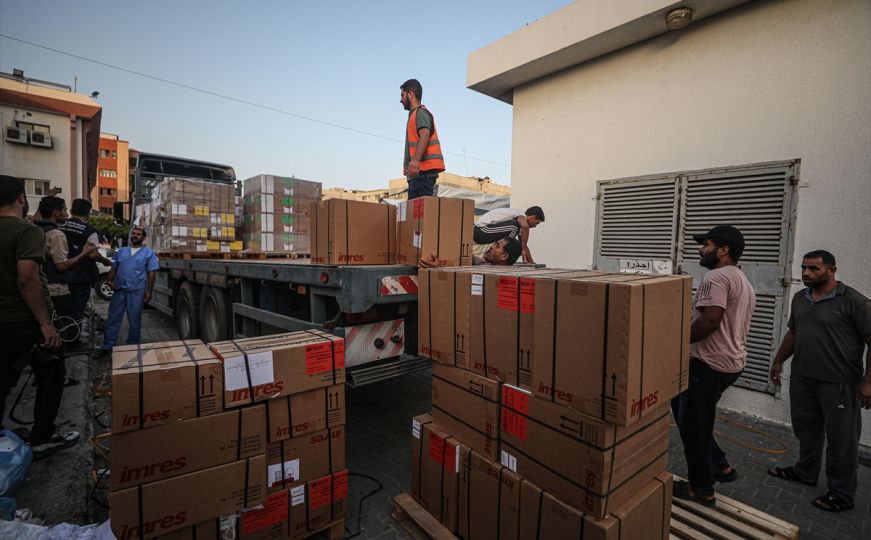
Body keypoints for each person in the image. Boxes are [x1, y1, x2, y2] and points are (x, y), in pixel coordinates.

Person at [768, 250, 870, 513]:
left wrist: (868, 383)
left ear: (832, 271)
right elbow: (793, 333)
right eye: (803, 268)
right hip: (803, 378)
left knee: (842, 441)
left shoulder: (855, 302)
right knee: (807, 431)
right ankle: (805, 471)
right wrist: (779, 361)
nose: (805, 273)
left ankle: (842, 493)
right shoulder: (801, 298)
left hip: (838, 383)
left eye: (813, 269)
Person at [672, 225, 756, 507]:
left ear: (723, 250)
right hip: (730, 363)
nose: (700, 248)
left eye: (706, 244)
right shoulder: (741, 279)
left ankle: (702, 489)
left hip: (708, 364)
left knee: (693, 426)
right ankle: (719, 465)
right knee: (689, 415)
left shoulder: (716, 276)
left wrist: (672, 342)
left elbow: (710, 321)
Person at [0, 175, 80, 459]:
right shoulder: (27, 231)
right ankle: (42, 437)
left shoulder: (27, 226)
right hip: (24, 320)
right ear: (21, 198)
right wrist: (46, 324)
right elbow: (28, 279)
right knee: (51, 372)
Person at [33, 196, 96, 344]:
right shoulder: (57, 234)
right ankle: (68, 344)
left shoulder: (36, 229)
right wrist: (84, 253)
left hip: (42, 283)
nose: (67, 215)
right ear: (56, 213)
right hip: (57, 288)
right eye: (64, 210)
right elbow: (61, 265)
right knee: (65, 322)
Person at [94, 227, 159, 358]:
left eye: (138, 234)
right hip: (119, 290)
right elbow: (114, 267)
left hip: (136, 291)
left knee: (134, 320)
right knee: (113, 318)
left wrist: (149, 292)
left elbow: (151, 273)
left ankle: (133, 346)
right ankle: (108, 346)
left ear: (143, 238)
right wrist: (110, 280)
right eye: (133, 233)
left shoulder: (148, 253)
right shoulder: (122, 251)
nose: (135, 235)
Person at [59, 198, 111, 347]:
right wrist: (106, 261)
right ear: (88, 213)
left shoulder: (60, 225)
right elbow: (92, 254)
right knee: (77, 310)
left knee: (62, 309)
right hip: (80, 276)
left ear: (71, 211)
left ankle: (62, 338)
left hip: (60, 274)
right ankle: (72, 341)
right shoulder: (89, 230)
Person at [400, 79, 445, 199]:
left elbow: (424, 134)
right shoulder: (414, 115)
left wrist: (415, 161)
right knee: (416, 216)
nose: (400, 100)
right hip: (418, 175)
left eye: (402, 95)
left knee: (420, 215)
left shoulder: (420, 113)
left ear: (410, 94)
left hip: (423, 174)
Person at [473, 206, 544, 264]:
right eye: (537, 223)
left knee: (517, 244)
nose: (535, 226)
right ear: (532, 218)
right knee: (514, 228)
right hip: (480, 231)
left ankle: (493, 256)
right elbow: (525, 226)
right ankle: (502, 259)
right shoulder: (521, 214)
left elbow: (524, 246)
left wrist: (532, 263)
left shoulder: (520, 227)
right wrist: (523, 249)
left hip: (484, 233)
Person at [419, 236, 522, 268]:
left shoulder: (490, 275)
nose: (491, 246)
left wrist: (439, 269)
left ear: (504, 256)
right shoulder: (486, 265)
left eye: (497, 246)